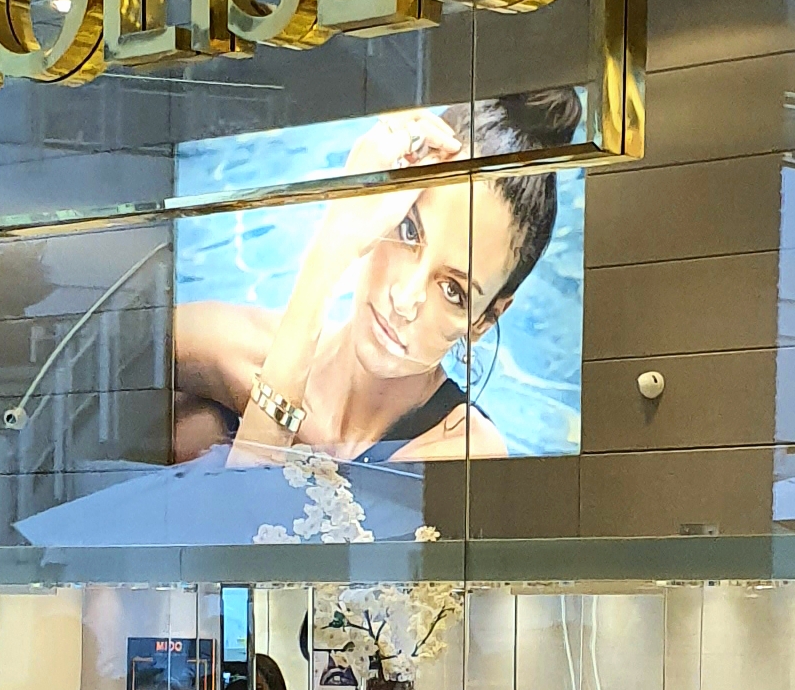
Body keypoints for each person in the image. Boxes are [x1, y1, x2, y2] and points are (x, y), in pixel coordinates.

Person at [172, 91, 578, 465]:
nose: (405, 297)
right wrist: (334, 240)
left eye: (453, 290)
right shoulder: (233, 348)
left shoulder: (461, 449)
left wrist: (323, 264)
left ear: (484, 320)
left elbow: (247, 516)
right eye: (408, 230)